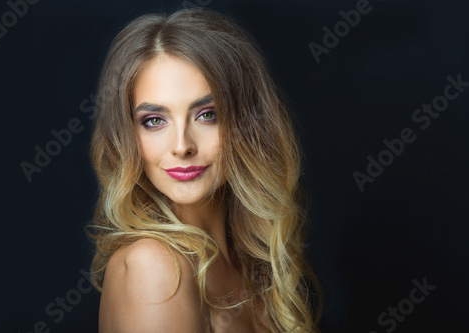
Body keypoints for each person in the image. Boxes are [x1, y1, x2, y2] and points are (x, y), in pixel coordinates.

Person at [87, 7, 321, 333]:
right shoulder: (153, 267)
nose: (182, 146)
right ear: (127, 136)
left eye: (206, 114)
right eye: (154, 121)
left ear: (247, 124)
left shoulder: (251, 265)